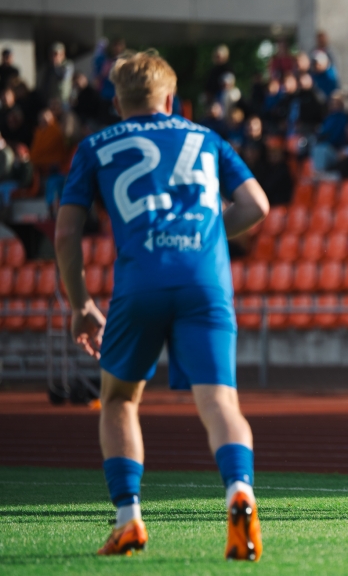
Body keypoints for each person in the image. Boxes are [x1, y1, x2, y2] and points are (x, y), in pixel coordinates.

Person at [54, 50, 268, 559]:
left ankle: (128, 519)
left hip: (140, 283)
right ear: (171, 99)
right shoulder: (206, 138)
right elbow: (256, 205)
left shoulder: (94, 145)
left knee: (119, 400)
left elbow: (65, 234)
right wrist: (208, 234)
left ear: (117, 102)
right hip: (204, 282)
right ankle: (240, 490)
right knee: (220, 404)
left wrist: (81, 304)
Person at [37, 42, 74, 107]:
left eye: (56, 54)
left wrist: (56, 65)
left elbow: (64, 78)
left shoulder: (67, 65)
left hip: (63, 101)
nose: (54, 57)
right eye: (51, 54)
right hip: (49, 101)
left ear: (63, 54)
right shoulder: (47, 67)